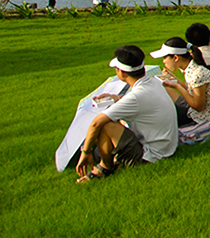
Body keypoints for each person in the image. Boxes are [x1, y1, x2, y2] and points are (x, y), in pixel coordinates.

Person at [75, 45, 177, 182]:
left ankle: (105, 168)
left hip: (151, 156)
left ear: (122, 73)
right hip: (166, 146)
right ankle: (105, 160)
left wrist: (85, 152)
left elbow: (96, 123)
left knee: (107, 125)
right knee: (109, 126)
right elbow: (139, 102)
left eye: (116, 69)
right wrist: (115, 98)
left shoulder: (136, 97)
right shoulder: (153, 82)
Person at [152, 38, 210, 128]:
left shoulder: (197, 74)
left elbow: (198, 107)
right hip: (209, 110)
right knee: (166, 89)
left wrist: (177, 86)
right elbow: (191, 89)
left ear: (176, 58)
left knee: (163, 116)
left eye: (164, 58)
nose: (163, 61)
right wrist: (175, 80)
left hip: (207, 116)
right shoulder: (192, 68)